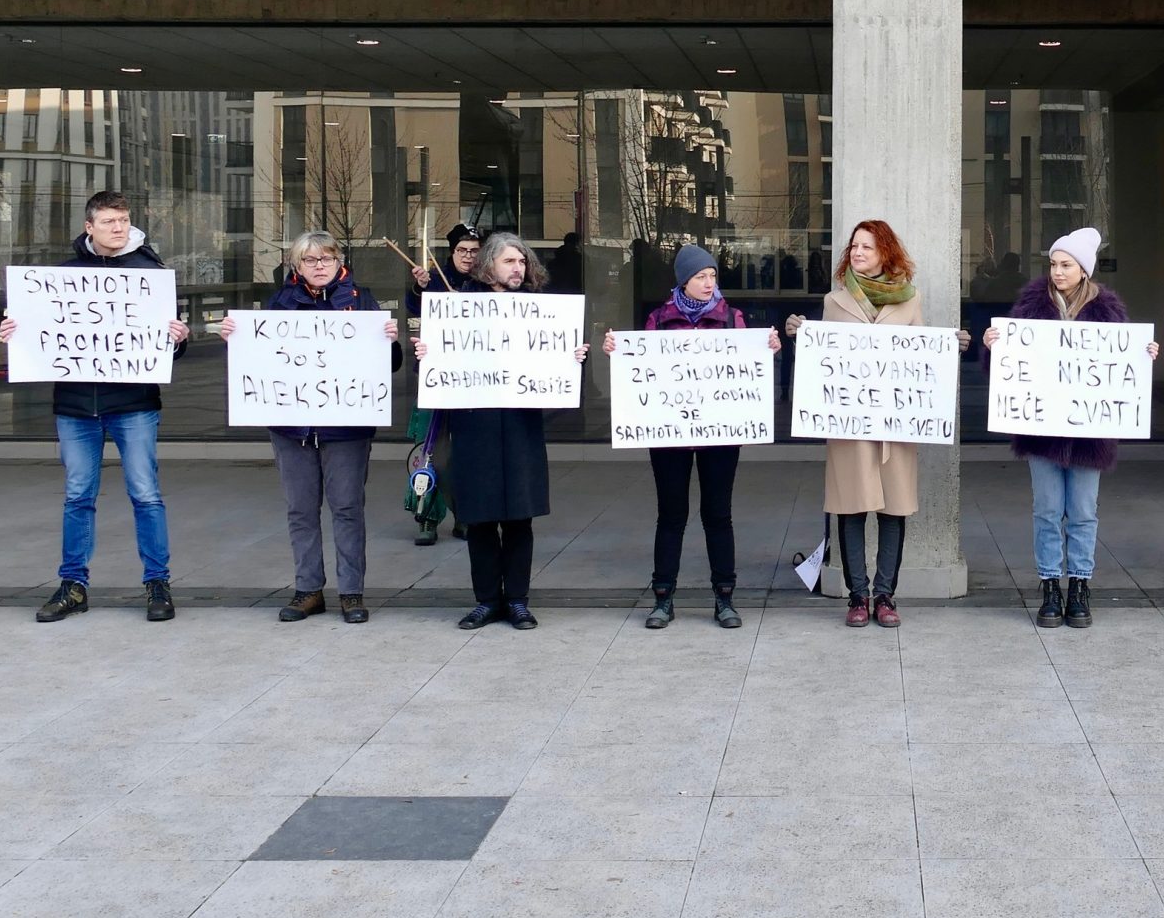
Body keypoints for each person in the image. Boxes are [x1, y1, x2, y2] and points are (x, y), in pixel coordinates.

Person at [0, 190, 193, 624]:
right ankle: (73, 584)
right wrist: (16, 331)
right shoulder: (61, 278)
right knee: (77, 496)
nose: (118, 228)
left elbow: (169, 350)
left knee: (146, 494)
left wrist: (178, 340)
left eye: (123, 220)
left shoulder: (151, 274)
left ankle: (157, 582)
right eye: (109, 221)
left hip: (134, 403)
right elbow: (38, 337)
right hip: (74, 406)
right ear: (90, 227)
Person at [782, 219, 972, 628]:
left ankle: (885, 596)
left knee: (893, 510)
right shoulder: (835, 302)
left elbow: (921, 356)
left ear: (885, 251)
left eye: (866, 246)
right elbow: (824, 363)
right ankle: (857, 597)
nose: (857, 252)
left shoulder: (909, 300)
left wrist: (948, 347)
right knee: (850, 510)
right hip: (850, 428)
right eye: (853, 246)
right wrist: (801, 334)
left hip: (894, 427)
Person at [221, 232, 400, 626]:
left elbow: (389, 365)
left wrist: (391, 343)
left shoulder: (361, 301)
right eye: (310, 260)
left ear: (340, 262)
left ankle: (351, 592)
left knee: (348, 509)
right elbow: (258, 360)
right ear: (296, 266)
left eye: (327, 258)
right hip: (292, 428)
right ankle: (308, 590)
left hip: (346, 427)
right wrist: (234, 341)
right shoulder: (279, 304)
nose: (319, 266)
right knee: (300, 510)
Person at [414, 228, 588, 630]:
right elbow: (442, 359)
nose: (518, 267)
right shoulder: (460, 307)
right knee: (480, 517)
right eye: (510, 260)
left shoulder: (538, 308)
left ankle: (519, 601)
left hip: (520, 424)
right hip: (475, 424)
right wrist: (428, 352)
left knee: (518, 518)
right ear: (488, 263)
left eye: (523, 261)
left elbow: (555, 362)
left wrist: (572, 357)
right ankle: (486, 600)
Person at [602, 242, 781, 630]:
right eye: (700, 276)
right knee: (671, 515)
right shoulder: (659, 319)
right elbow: (637, 366)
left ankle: (725, 597)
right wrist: (616, 350)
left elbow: (750, 367)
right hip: (670, 437)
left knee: (718, 515)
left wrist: (768, 349)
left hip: (719, 436)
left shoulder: (733, 319)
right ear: (683, 280)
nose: (708, 282)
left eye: (712, 275)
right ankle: (663, 597)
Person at [989, 226, 1158, 630]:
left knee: (1083, 512)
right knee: (1047, 511)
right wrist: (994, 346)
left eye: (1066, 265)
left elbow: (1122, 370)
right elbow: (1007, 369)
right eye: (1053, 264)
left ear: (1084, 269)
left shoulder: (1107, 310)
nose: (1058, 272)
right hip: (1042, 431)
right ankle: (1050, 585)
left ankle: (1080, 585)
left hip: (1089, 434)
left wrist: (1143, 357)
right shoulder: (1030, 308)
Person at [407, 224, 483, 542]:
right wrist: (419, 289)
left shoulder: (488, 283)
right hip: (436, 376)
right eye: (462, 250)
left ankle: (465, 513)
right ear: (452, 252)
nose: (468, 256)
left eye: (475, 251)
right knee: (428, 448)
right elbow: (413, 310)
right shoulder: (434, 280)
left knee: (469, 451)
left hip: (477, 378)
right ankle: (426, 515)